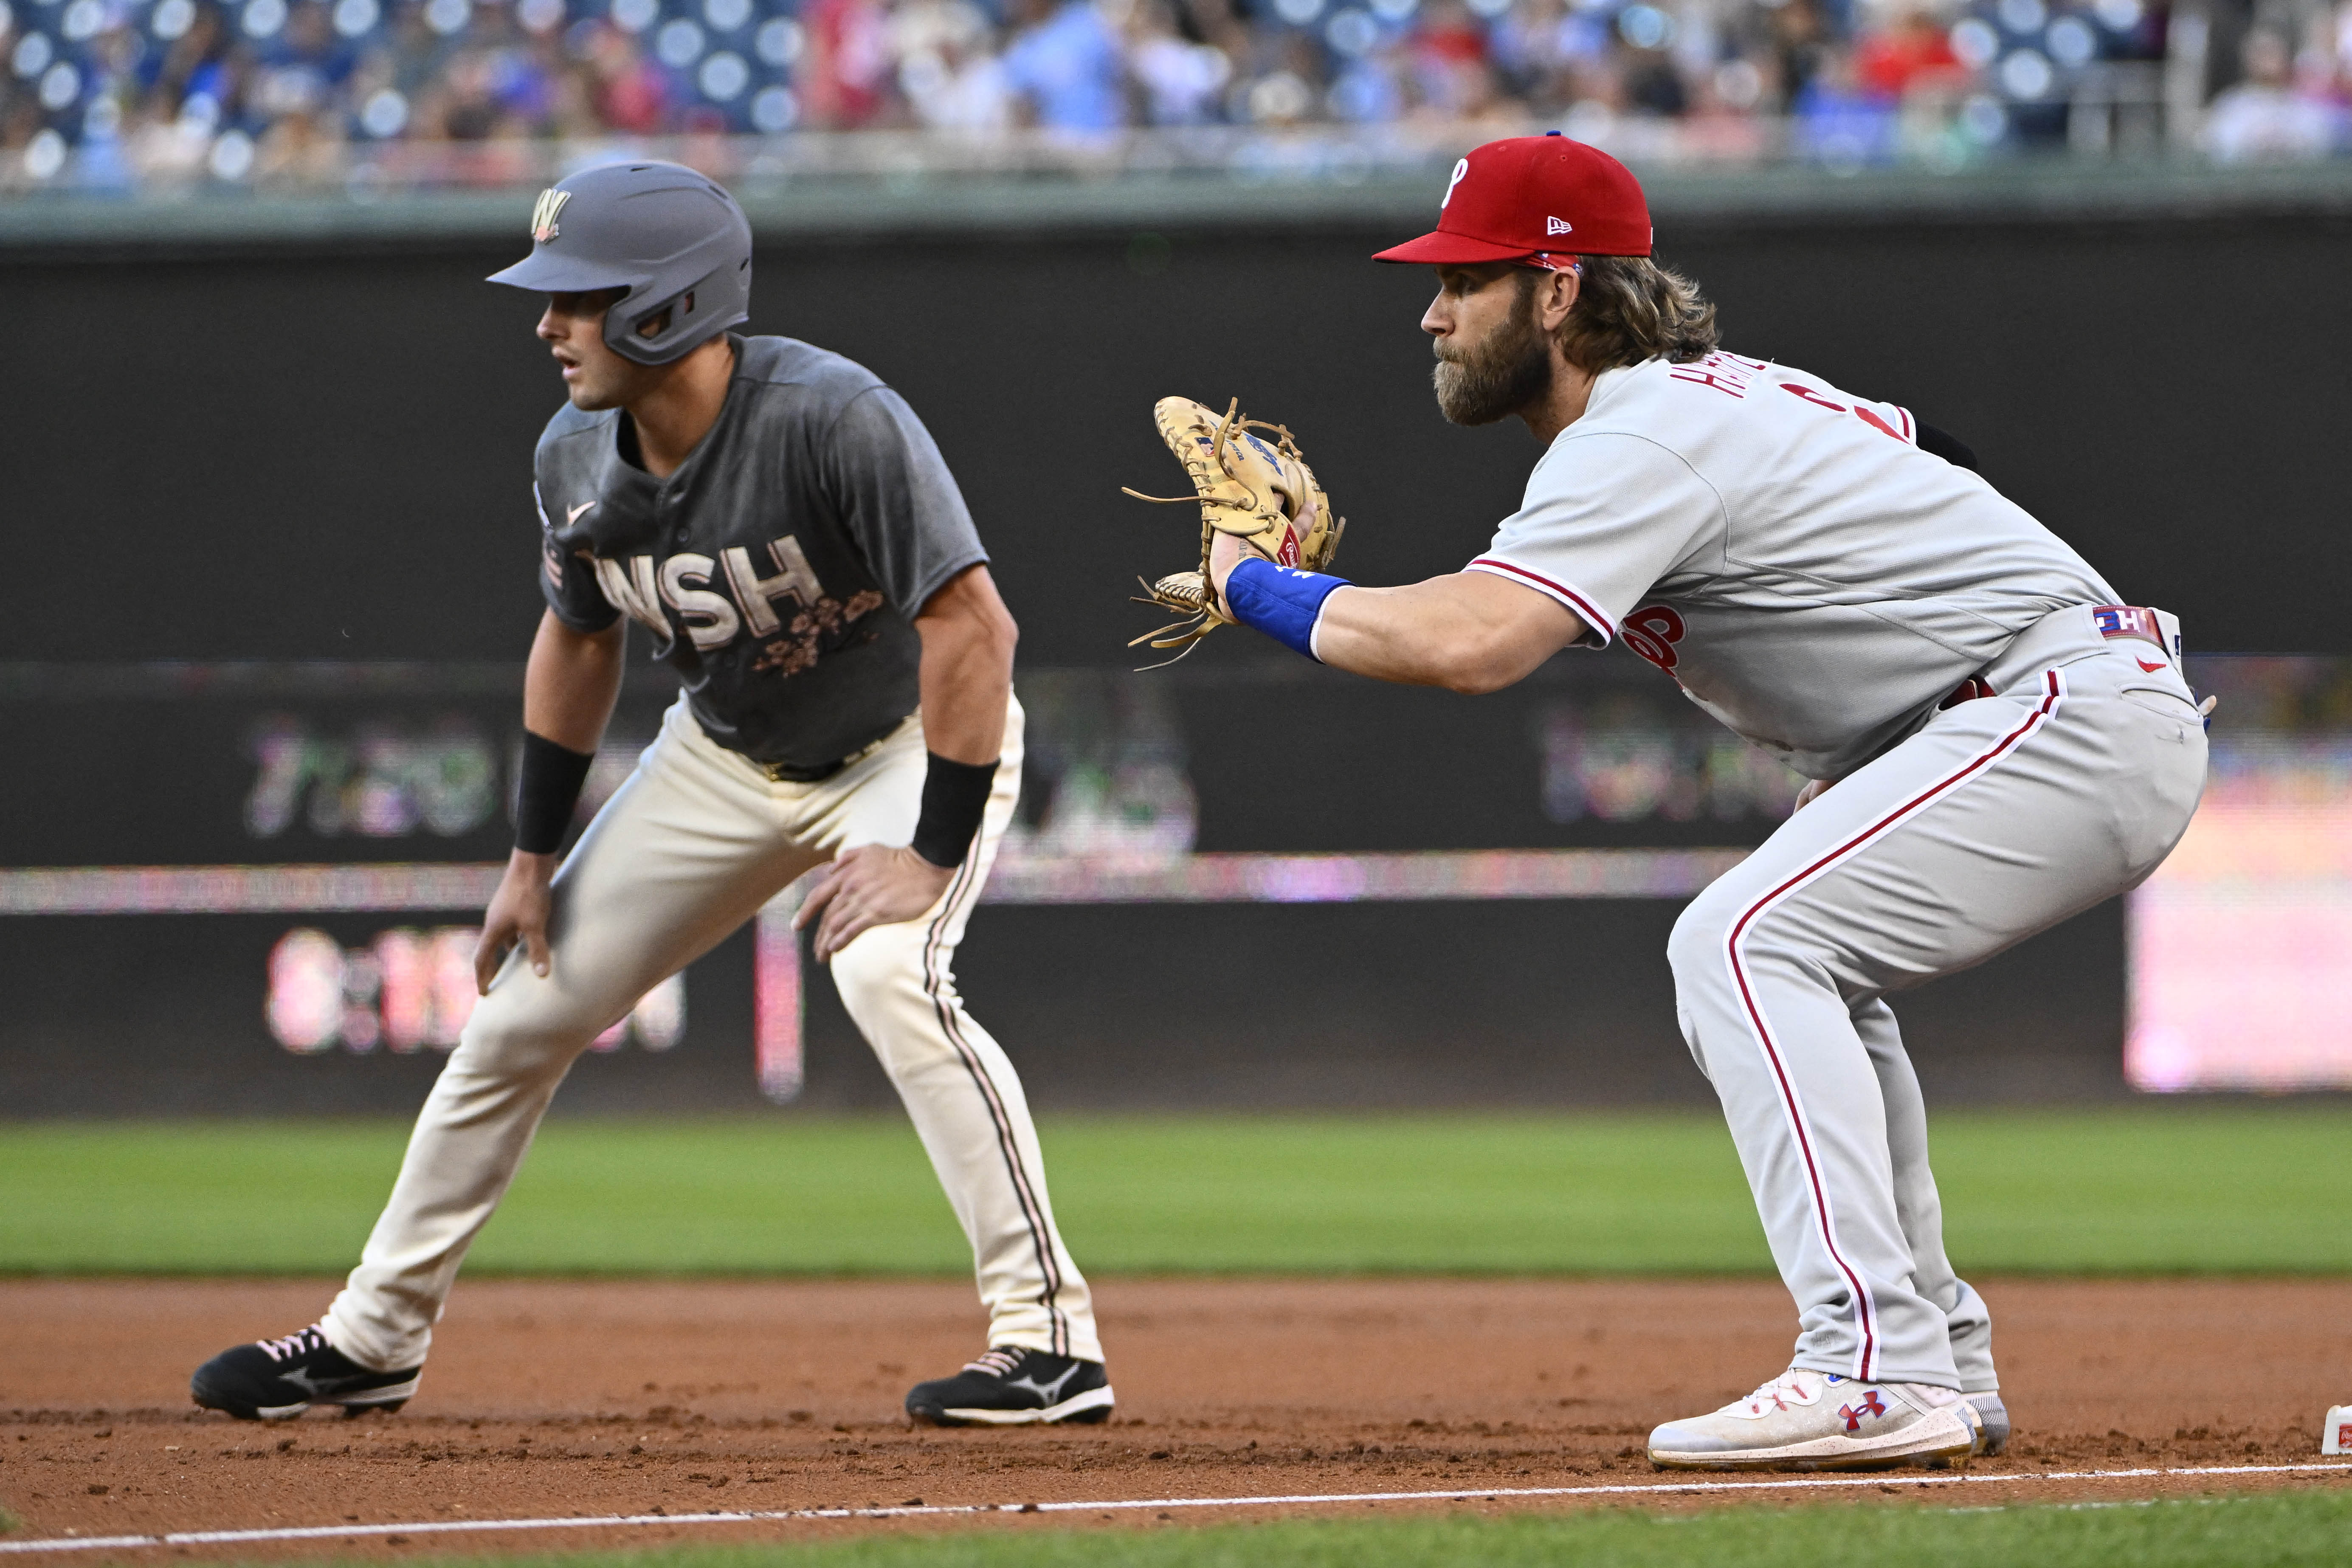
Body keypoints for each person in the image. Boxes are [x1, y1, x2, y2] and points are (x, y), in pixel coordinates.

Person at [1190, 134, 2205, 1471]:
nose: (1430, 312)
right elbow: (1925, 450)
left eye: (1466, 282)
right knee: (1808, 964)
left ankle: (1866, 1365)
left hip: (2049, 711)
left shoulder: (1644, 436)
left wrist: (1252, 586)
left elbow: (1470, 646)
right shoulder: (1699, 407)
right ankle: (1934, 1355)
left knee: (1744, 940)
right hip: (2041, 705)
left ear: (1558, 291)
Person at [191, 160, 1110, 1430]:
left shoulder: (832, 415)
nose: (546, 324)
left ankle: (1050, 1342)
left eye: (576, 297)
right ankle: (371, 1341)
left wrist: (932, 846)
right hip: (724, 757)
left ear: (668, 308)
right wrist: (528, 860)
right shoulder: (572, 452)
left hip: (905, 748)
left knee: (889, 973)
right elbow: (576, 639)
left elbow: (973, 629)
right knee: (518, 1013)